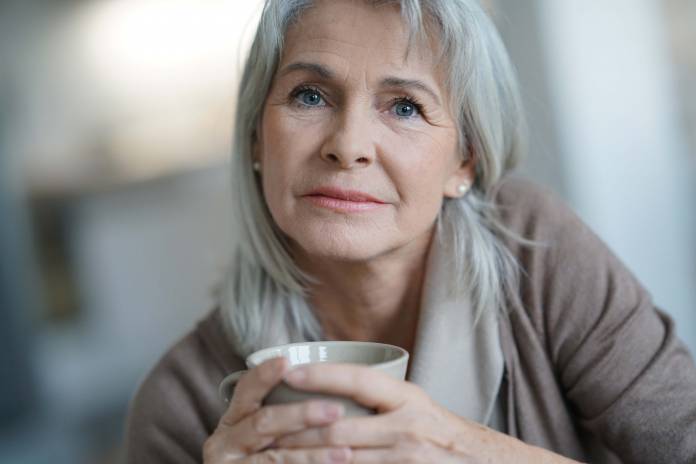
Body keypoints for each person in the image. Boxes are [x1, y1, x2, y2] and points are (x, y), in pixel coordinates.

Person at [124, 0, 696, 462]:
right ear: (255, 136)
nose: (347, 146)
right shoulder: (180, 404)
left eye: (404, 108)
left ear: (464, 161)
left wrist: (467, 450)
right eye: (309, 95)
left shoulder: (539, 251)